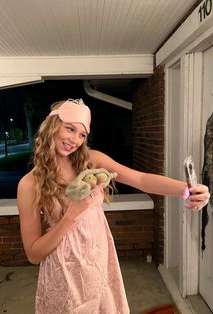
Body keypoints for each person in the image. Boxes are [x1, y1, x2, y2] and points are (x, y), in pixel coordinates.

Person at [17, 98, 210, 314]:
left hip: (99, 262)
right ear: (52, 126)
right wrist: (71, 215)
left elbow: (141, 179)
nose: (75, 140)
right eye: (69, 129)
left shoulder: (92, 161)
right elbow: (33, 254)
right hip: (64, 272)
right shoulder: (29, 184)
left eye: (82, 134)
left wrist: (186, 189)